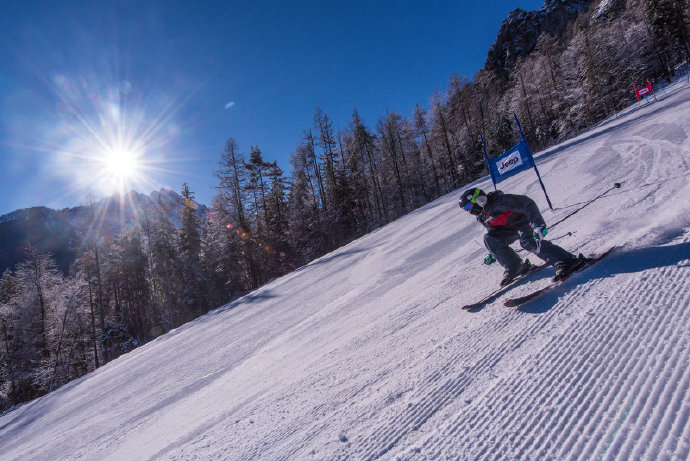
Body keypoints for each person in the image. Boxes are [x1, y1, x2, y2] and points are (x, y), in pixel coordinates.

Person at [459, 187, 584, 286]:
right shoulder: (482, 216)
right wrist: (494, 252)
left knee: (527, 241)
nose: (469, 211)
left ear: (479, 200)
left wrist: (538, 225)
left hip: (523, 223)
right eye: (466, 210)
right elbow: (493, 231)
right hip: (509, 230)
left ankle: (566, 260)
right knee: (489, 238)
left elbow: (527, 203)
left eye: (469, 207)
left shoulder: (500, 201)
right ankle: (515, 266)